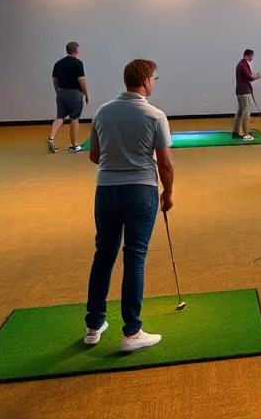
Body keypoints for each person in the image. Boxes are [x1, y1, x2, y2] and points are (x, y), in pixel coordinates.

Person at [85, 58, 174, 352]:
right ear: (147, 81)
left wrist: (117, 160)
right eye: (154, 79)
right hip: (142, 191)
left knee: (104, 254)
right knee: (134, 258)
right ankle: (131, 334)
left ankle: (94, 325)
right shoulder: (155, 115)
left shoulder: (102, 111)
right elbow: (165, 163)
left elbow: (94, 156)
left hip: (106, 190)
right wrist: (168, 193)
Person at [49, 41, 89, 154]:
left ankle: (51, 137)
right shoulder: (78, 63)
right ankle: (73, 145)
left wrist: (58, 92)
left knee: (60, 117)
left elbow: (55, 80)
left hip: (62, 92)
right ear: (76, 50)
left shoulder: (58, 63)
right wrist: (86, 94)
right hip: (75, 93)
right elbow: (82, 81)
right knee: (74, 118)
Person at [233, 49, 261, 141]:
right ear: (247, 55)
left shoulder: (242, 64)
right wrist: (257, 77)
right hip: (243, 92)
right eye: (251, 56)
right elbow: (249, 77)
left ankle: (236, 131)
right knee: (246, 111)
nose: (252, 58)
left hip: (241, 91)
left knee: (240, 111)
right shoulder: (242, 65)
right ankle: (246, 133)